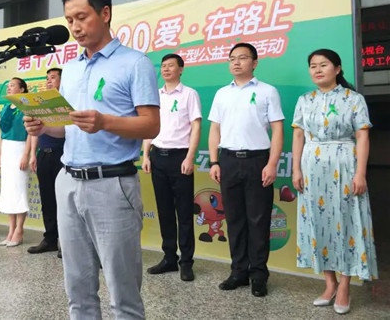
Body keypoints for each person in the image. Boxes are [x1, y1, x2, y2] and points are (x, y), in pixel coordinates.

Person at [24, 0, 160, 320]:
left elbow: (151, 125)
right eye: (69, 20)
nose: (75, 27)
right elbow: (68, 127)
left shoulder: (135, 63)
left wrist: (105, 122)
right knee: (78, 291)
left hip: (112, 184)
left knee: (122, 294)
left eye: (82, 17)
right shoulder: (70, 70)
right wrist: (44, 127)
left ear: (105, 13)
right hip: (68, 181)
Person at [291, 49, 378, 315]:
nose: (317, 70)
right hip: (312, 167)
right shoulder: (305, 100)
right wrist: (296, 170)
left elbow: (362, 137)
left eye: (323, 65)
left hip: (345, 165)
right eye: (313, 66)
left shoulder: (354, 99)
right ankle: (329, 284)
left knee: (347, 222)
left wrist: (360, 173)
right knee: (318, 221)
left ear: (337, 69)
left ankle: (345, 285)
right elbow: (298, 137)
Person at [208, 42, 284, 298]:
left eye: (242, 58)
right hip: (228, 160)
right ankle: (238, 271)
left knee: (258, 220)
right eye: (232, 59)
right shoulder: (222, 94)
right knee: (234, 219)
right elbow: (214, 129)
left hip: (257, 161)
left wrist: (272, 163)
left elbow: (278, 130)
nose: (236, 63)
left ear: (255, 62)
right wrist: (214, 161)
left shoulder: (267, 91)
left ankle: (258, 275)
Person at [142, 53, 201, 282]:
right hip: (158, 157)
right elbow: (149, 127)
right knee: (164, 211)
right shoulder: (155, 96)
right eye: (163, 66)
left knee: (184, 212)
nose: (166, 69)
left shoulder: (189, 94)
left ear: (181, 69)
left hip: (180, 158)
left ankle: (186, 262)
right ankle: (169, 258)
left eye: (171, 66)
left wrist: (190, 157)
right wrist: (146, 154)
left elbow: (196, 126)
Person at [27, 68, 65, 255]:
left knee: (63, 201)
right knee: (47, 199)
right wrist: (33, 154)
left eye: (53, 78)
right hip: (43, 154)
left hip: (62, 155)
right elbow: (35, 131)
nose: (49, 81)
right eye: (47, 78)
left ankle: (65, 242)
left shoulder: (65, 102)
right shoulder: (41, 103)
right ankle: (50, 238)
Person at [0, 77, 32, 247]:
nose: (9, 88)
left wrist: (26, 154)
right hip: (6, 150)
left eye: (12, 85)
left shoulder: (27, 106)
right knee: (8, 190)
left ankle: (19, 229)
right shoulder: (6, 107)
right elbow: (1, 133)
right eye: (8, 85)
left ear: (22, 89)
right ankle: (10, 229)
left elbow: (31, 133)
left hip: (20, 148)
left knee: (19, 190)